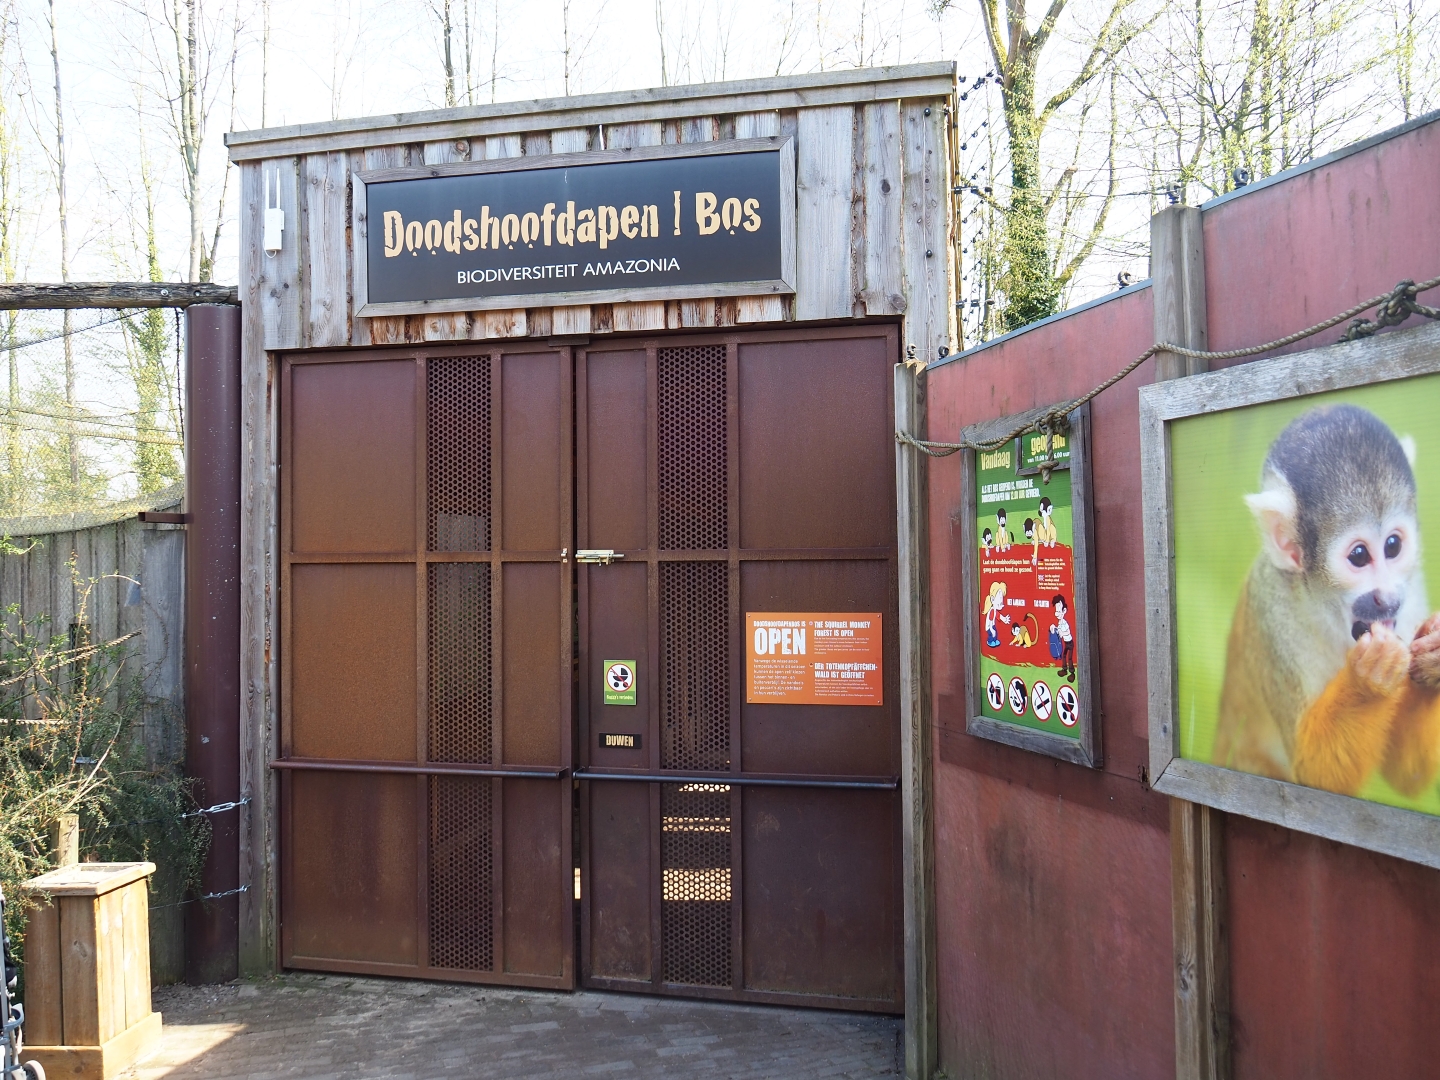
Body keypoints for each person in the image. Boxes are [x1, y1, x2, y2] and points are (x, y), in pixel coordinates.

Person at [1051, 593, 1075, 682]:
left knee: (1069, 657)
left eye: (1059, 611)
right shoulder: (1060, 623)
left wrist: (1062, 632)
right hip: (1065, 642)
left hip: (1070, 643)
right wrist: (1054, 629)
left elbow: (1067, 632)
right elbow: (1059, 632)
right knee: (1064, 656)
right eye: (1056, 611)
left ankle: (1072, 673)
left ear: (1064, 610)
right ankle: (1064, 670)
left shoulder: (1064, 622)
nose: (1057, 613)